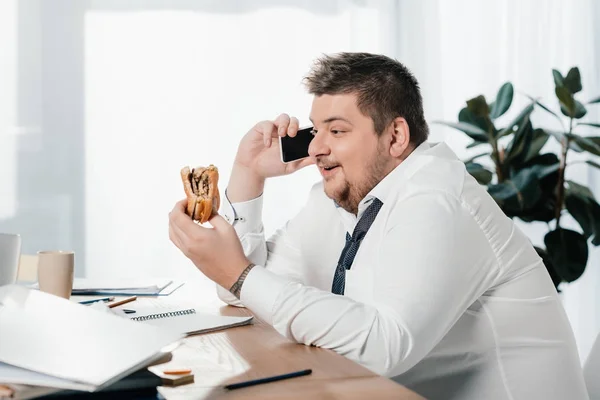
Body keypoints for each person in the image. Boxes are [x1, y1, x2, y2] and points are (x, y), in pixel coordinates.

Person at [168, 52, 588, 399]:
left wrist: (239, 275)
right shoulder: (341, 199)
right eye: (316, 131)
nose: (315, 148)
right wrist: (248, 173)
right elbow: (241, 294)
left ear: (396, 136)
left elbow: (387, 346)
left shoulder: (436, 199)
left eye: (337, 130)